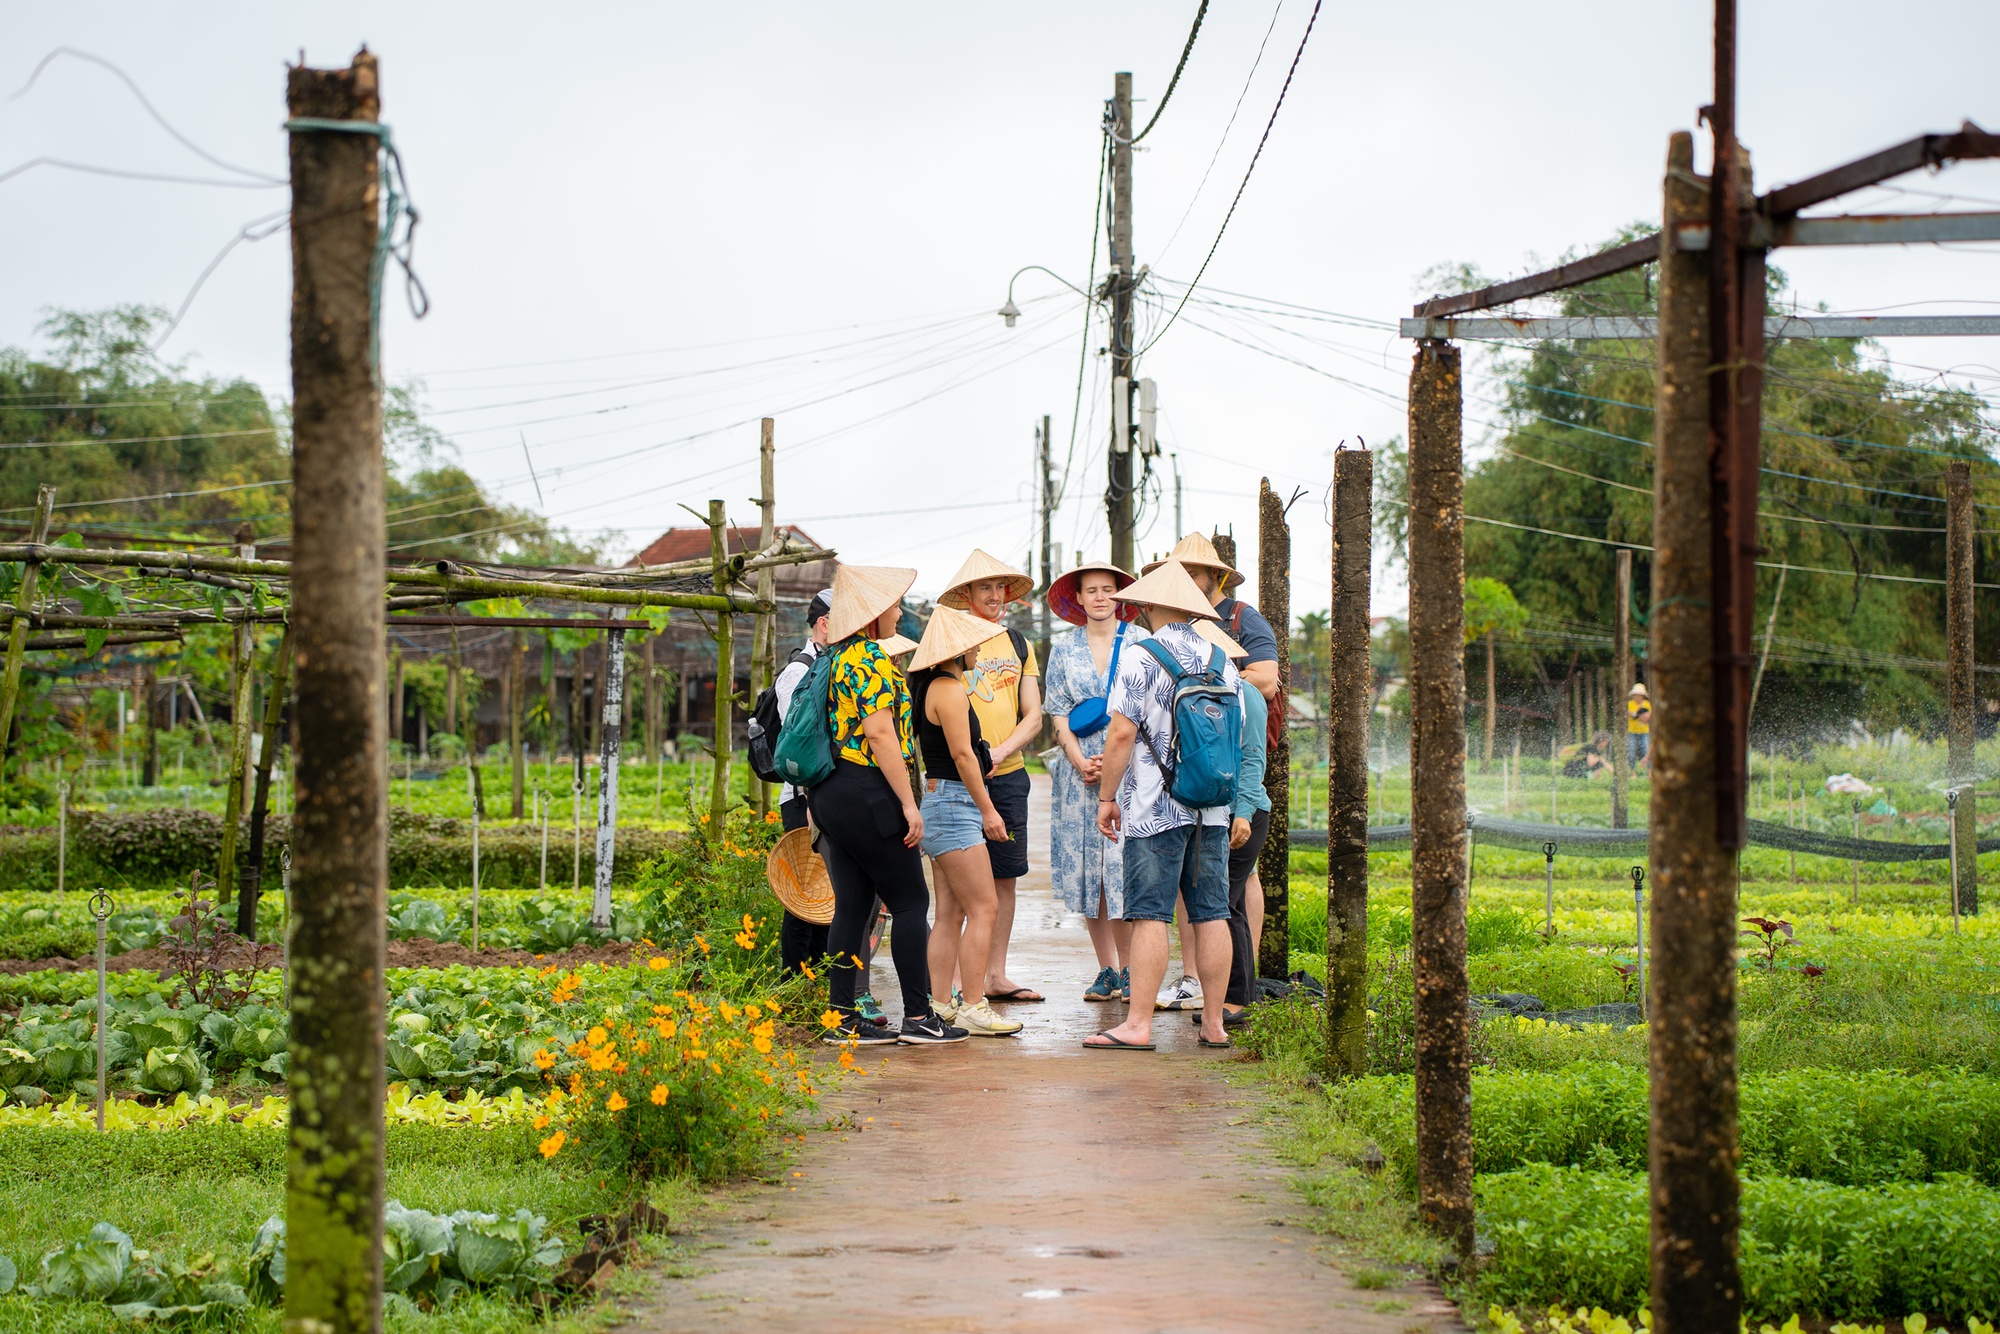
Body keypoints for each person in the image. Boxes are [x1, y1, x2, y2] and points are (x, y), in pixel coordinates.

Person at [1084, 559, 1243, 1051]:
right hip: (1212, 808)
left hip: (1154, 808)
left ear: (1150, 604)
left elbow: (1122, 734)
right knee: (1211, 913)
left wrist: (1107, 797)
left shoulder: (1140, 656)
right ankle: (1214, 1024)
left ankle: (1136, 1026)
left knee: (1151, 913)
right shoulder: (1223, 661)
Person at [807, 564, 966, 1046]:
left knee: (851, 908)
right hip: (867, 789)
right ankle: (919, 1018)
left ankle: (840, 1018)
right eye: (895, 605)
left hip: (832, 790)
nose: (900, 611)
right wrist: (908, 804)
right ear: (875, 615)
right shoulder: (870, 660)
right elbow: (879, 735)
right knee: (912, 901)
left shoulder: (834, 658)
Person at [1141, 533, 1280, 1012]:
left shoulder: (1244, 626)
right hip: (1200, 782)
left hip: (1235, 786)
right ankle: (1211, 987)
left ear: (1216, 578)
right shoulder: (1181, 633)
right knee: (1213, 900)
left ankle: (1237, 994)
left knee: (1225, 903)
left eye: (1192, 574)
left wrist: (1219, 688)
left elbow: (1266, 679)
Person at [908, 605, 1024, 1038]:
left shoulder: (930, 686)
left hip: (940, 802)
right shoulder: (949, 688)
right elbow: (961, 755)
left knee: (951, 912)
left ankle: (942, 1002)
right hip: (955, 803)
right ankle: (974, 1005)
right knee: (984, 907)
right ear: (955, 649)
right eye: (972, 642)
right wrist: (989, 810)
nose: (978, 648)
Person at [938, 549, 1045, 1004]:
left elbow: (1034, 715)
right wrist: (974, 759)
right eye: (986, 588)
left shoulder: (1019, 643)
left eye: (1001, 588)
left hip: (1009, 774)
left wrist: (1000, 752)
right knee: (961, 887)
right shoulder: (947, 642)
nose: (996, 596)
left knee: (1005, 878)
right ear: (966, 595)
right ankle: (965, 983)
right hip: (959, 778)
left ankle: (995, 974)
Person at [1042, 559, 1143, 1002]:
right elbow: (1058, 713)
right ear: (1078, 598)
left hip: (1132, 770)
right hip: (1077, 773)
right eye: (1092, 590)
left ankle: (1132, 970)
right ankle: (1107, 969)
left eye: (1108, 589)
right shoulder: (1063, 649)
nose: (1101, 597)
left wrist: (1117, 760)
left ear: (1119, 597)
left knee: (1125, 869)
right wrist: (1079, 758)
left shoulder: (1142, 643)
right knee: (1090, 874)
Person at [771, 588, 834, 976]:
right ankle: (794, 979)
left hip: (824, 794)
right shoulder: (798, 671)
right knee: (803, 893)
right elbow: (802, 742)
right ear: (824, 624)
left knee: (829, 891)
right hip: (802, 796)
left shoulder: (831, 663)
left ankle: (824, 977)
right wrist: (811, 798)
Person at [1214, 679, 1271, 1026]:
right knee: (1222, 904)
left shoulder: (1245, 693)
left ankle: (1238, 998)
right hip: (1212, 812)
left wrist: (1244, 814)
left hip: (1244, 815)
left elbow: (1254, 757)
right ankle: (1233, 995)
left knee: (1227, 904)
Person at [1628, 682, 1652, 770]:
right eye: (1636, 695)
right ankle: (1632, 771)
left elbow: (1649, 715)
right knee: (1631, 752)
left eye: (1639, 695)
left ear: (1642, 696)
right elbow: (1629, 712)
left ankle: (1650, 771)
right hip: (1632, 731)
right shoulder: (1630, 704)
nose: (1637, 697)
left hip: (1644, 731)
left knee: (1647, 751)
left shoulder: (1647, 704)